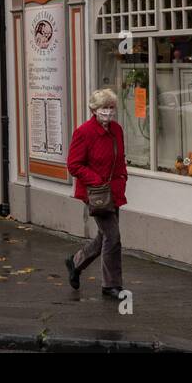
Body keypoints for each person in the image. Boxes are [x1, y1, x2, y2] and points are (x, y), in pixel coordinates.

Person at [64, 88, 128, 299]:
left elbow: (120, 158)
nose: (108, 112)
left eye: (111, 107)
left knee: (104, 236)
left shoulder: (117, 130)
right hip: (96, 192)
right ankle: (111, 284)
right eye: (104, 108)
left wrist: (122, 179)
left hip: (114, 191)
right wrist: (96, 181)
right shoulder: (84, 132)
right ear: (94, 109)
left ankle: (76, 262)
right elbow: (74, 165)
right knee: (113, 236)